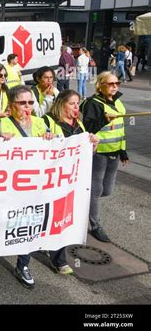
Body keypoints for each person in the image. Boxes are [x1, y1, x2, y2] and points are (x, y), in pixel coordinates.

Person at [0, 85, 54, 289]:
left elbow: (58, 149)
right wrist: (0, 144)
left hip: (33, 186)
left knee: (29, 224)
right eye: (22, 102)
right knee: (1, 222)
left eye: (31, 102)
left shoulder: (41, 123)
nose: (27, 107)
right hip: (7, 188)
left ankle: (22, 265)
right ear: (11, 105)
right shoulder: (0, 125)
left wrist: (51, 140)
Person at [43, 89, 99, 274]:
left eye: (78, 103)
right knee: (48, 215)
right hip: (50, 179)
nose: (77, 107)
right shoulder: (48, 121)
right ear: (61, 104)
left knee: (63, 217)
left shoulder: (79, 125)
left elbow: (87, 154)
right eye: (72, 103)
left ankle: (59, 259)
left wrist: (93, 144)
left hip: (71, 180)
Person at [80, 72, 128, 242]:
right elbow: (86, 128)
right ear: (100, 85)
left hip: (114, 152)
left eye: (117, 83)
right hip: (98, 153)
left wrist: (123, 151)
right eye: (110, 84)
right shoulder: (93, 104)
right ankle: (94, 225)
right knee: (96, 189)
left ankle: (82, 201)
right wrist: (104, 120)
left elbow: (120, 129)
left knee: (106, 190)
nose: (114, 86)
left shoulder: (118, 102)